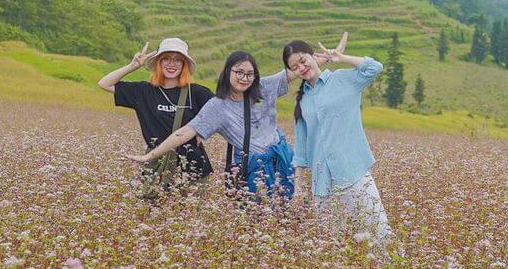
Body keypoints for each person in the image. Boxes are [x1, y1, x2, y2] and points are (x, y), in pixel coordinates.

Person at [127, 51, 295, 200]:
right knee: (259, 211)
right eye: (239, 72)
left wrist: (309, 59)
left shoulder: (263, 87)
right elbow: (185, 132)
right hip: (254, 167)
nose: (244, 78)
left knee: (289, 204)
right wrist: (150, 156)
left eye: (250, 74)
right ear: (228, 72)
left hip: (283, 158)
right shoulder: (217, 106)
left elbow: (296, 71)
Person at [284, 33, 394, 248]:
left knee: (380, 234)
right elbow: (301, 151)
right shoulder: (302, 101)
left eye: (303, 61)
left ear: (313, 56)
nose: (301, 68)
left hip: (354, 173)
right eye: (295, 67)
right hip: (322, 185)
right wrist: (298, 189)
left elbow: (374, 67)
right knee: (332, 245)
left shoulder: (343, 79)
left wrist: (340, 58)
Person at [99, 37, 213, 193]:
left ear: (184, 65)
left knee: (190, 209)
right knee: (152, 206)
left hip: (193, 169)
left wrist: (204, 129)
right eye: (166, 59)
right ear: (158, 63)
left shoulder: (198, 92)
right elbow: (104, 83)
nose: (171, 64)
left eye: (177, 60)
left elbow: (221, 113)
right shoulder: (143, 91)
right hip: (157, 165)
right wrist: (132, 66)